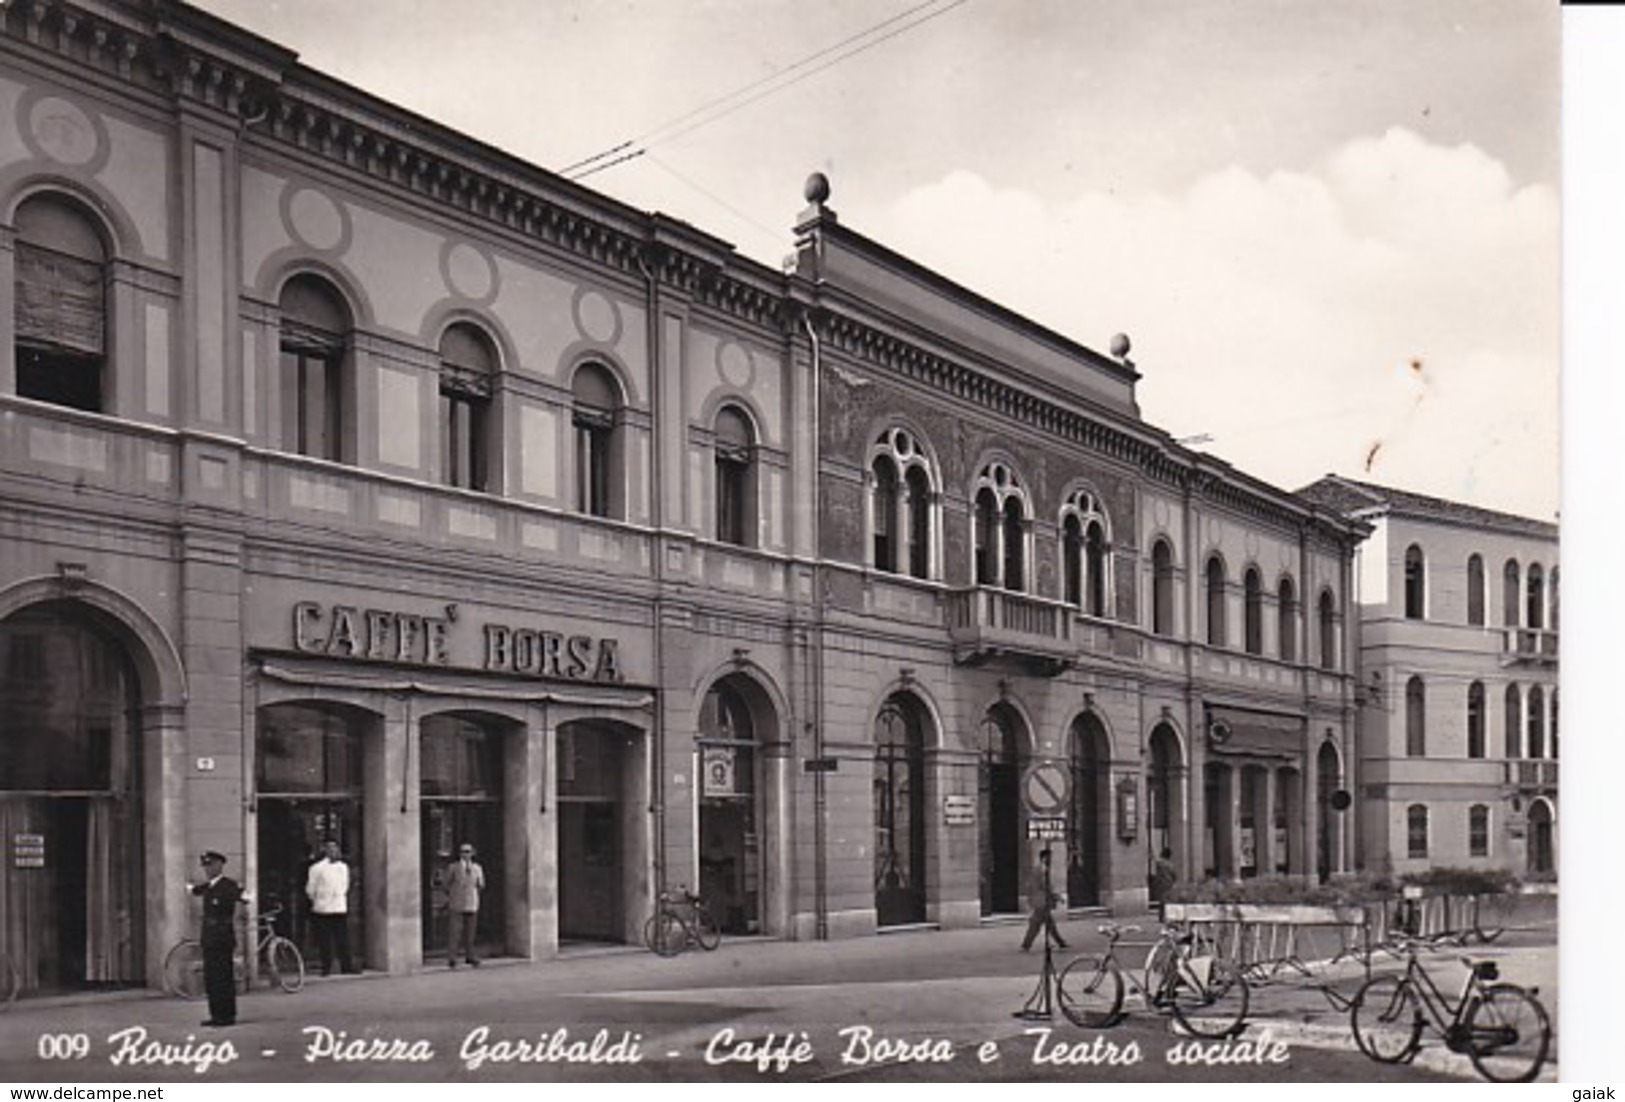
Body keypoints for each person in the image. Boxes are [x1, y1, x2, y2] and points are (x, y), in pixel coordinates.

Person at [191, 850, 245, 1027]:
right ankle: (215, 1013)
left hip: (222, 937)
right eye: (206, 866)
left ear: (220, 866)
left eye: (211, 865)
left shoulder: (229, 886)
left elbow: (246, 898)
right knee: (212, 978)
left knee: (223, 977)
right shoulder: (208, 887)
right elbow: (192, 890)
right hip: (209, 937)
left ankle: (227, 1015)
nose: (208, 869)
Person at [305, 837, 355, 976]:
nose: (333, 851)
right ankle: (326, 966)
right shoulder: (316, 868)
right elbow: (311, 888)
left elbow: (345, 885)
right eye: (330, 848)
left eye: (335, 848)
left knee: (342, 938)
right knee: (324, 940)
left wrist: (339, 896)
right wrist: (318, 899)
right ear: (325, 850)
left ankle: (347, 965)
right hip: (323, 908)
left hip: (339, 907)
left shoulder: (343, 867)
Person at [445, 842, 485, 967]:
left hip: (472, 902)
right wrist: (452, 895)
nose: (465, 854)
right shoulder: (453, 867)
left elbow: (481, 885)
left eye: (468, 851)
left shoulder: (477, 868)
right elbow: (446, 884)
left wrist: (474, 893)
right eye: (462, 852)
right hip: (457, 902)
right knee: (455, 931)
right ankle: (452, 957)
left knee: (470, 932)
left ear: (472, 853)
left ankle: (470, 956)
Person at [1019, 847, 1067, 952]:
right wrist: (1057, 897)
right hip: (1042, 901)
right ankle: (1026, 944)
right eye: (1049, 857)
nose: (1051, 859)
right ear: (1045, 858)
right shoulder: (1042, 870)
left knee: (1049, 923)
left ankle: (1060, 942)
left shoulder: (1038, 868)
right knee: (1036, 924)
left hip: (1040, 900)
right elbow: (1046, 886)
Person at [1149, 847, 1178, 917]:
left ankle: (1162, 915)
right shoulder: (1170, 864)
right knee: (1166, 899)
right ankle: (1165, 914)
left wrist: (1151, 853)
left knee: (1162, 900)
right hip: (1168, 883)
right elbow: (1174, 874)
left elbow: (1155, 860)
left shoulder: (1161, 862)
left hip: (1161, 883)